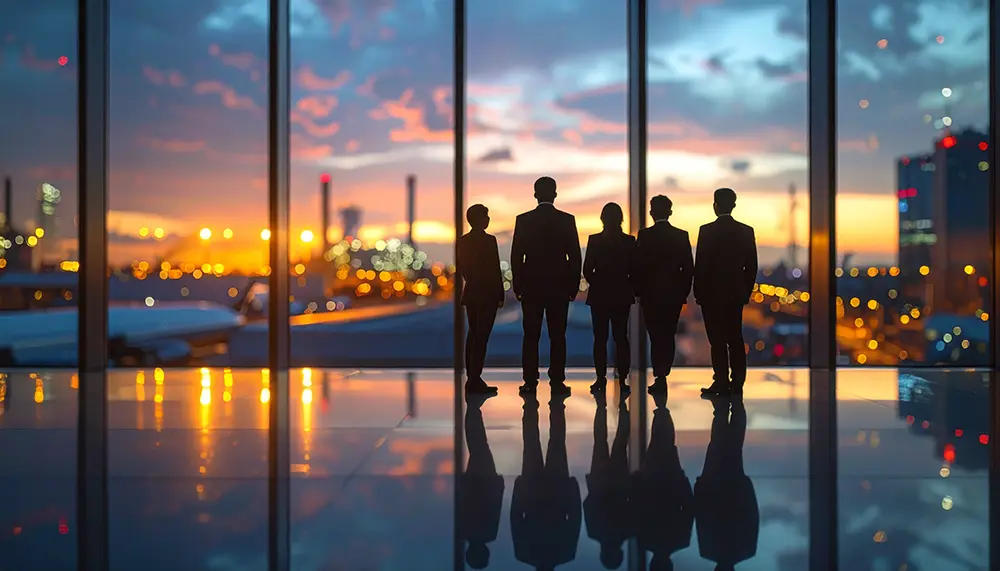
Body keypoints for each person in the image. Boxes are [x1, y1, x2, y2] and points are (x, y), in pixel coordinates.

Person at [510, 176, 582, 396]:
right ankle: (557, 381)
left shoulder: (523, 220)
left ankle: (530, 382)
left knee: (530, 336)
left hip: (531, 287)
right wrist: (572, 287)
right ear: (555, 194)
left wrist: (518, 286)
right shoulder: (567, 220)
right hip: (559, 287)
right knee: (557, 336)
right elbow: (575, 257)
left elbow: (516, 256)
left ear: (535, 194)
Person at [694, 188, 757, 396]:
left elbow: (700, 266)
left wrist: (699, 293)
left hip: (711, 296)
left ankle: (720, 381)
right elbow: (752, 267)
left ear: (715, 205)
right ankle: (737, 382)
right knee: (735, 338)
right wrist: (744, 291)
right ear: (734, 205)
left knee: (717, 341)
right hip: (735, 295)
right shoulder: (746, 231)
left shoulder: (706, 231)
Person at [510, 392, 582, 570]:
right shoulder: (523, 554)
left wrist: (572, 489)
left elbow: (574, 518)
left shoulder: (566, 553)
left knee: (555, 441)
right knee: (534, 442)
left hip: (555, 489)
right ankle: (532, 403)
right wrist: (519, 488)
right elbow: (516, 518)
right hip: (534, 489)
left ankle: (554, 403)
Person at [634, 195, 693, 394]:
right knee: (668, 334)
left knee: (655, 334)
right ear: (670, 211)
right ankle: (662, 374)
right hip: (673, 296)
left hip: (650, 295)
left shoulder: (644, 236)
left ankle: (659, 374)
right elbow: (688, 268)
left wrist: (639, 291)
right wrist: (682, 292)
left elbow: (638, 267)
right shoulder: (681, 235)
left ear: (651, 212)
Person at [694, 396, 759, 570]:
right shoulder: (708, 550)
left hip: (731, 487)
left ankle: (733, 406)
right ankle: (725, 408)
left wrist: (746, 486)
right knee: (721, 446)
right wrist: (700, 488)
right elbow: (702, 517)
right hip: (716, 486)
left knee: (731, 448)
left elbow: (752, 517)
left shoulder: (746, 550)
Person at [583, 202, 636, 394]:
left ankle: (600, 379)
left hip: (599, 295)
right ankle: (622, 379)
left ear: (602, 218)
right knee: (621, 338)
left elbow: (587, 269)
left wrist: (599, 282)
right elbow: (634, 269)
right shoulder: (629, 242)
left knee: (600, 339)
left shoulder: (595, 241)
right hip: (621, 294)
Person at [457, 204, 505, 394]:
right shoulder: (489, 240)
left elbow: (463, 270)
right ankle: (475, 380)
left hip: (471, 293)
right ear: (480, 219)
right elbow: (494, 270)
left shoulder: (462, 241)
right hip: (487, 294)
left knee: (473, 335)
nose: (488, 219)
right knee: (482, 338)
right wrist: (500, 295)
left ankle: (472, 378)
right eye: (486, 215)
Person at [583, 392, 633, 570]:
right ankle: (604, 407)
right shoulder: (594, 532)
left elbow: (632, 506)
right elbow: (588, 506)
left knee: (619, 443)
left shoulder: (627, 532)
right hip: (601, 481)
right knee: (602, 442)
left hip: (616, 482)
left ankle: (621, 408)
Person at [458, 393, 505, 569]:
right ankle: (473, 410)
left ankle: (474, 408)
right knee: (479, 447)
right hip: (475, 484)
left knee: (479, 447)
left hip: (485, 484)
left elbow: (494, 508)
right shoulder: (464, 532)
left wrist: (499, 487)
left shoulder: (489, 534)